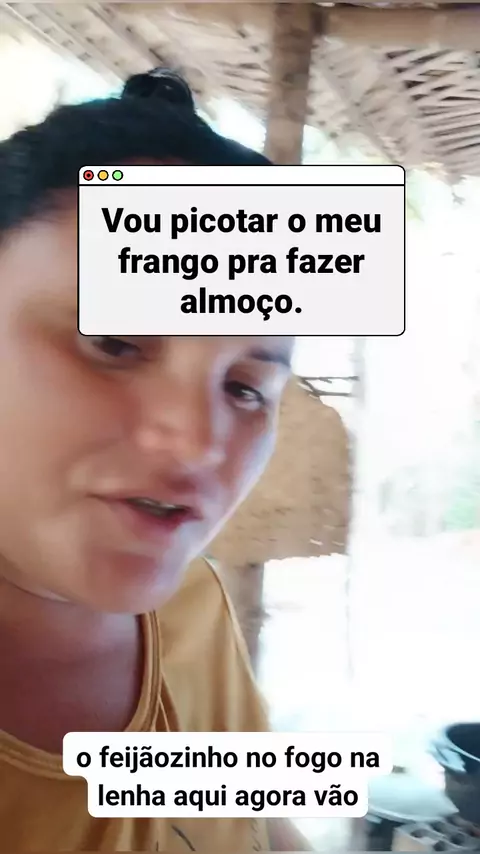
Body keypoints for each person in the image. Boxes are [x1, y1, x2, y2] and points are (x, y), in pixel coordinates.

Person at [0, 68, 310, 851]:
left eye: (245, 388)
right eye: (114, 343)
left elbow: (258, 823)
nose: (200, 444)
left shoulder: (192, 609)